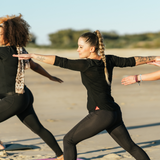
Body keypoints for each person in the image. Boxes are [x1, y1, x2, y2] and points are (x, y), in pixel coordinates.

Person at [14, 30, 160, 160]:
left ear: (92, 49)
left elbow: (61, 61)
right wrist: (153, 58)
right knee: (131, 147)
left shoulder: (87, 65)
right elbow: (132, 61)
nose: (78, 50)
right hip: (113, 112)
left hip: (101, 113)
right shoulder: (108, 59)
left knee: (68, 140)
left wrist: (33, 55)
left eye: (80, 47)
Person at [0, 14, 64, 160]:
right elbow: (35, 65)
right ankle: (61, 155)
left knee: (39, 128)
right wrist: (49, 76)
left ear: (9, 36)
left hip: (14, 99)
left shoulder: (3, 51)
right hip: (24, 96)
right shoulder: (20, 50)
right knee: (39, 129)